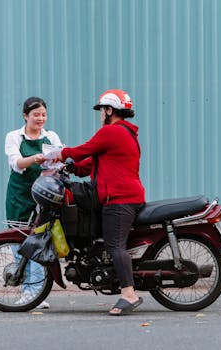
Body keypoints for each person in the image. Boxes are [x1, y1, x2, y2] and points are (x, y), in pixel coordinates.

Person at [58, 89, 145, 316]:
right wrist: (73, 167)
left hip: (120, 199)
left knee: (115, 245)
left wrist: (58, 154)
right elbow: (93, 162)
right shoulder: (124, 134)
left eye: (101, 110)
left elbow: (83, 150)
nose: (100, 115)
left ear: (109, 110)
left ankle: (128, 293)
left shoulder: (112, 132)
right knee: (111, 244)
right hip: (124, 196)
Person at [5, 96, 63, 309]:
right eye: (36, 115)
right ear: (25, 116)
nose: (40, 119)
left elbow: (60, 158)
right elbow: (16, 162)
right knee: (18, 240)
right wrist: (36, 158)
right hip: (19, 194)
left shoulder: (51, 136)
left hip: (45, 193)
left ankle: (36, 292)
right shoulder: (14, 137)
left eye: (43, 115)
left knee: (39, 240)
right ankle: (27, 290)